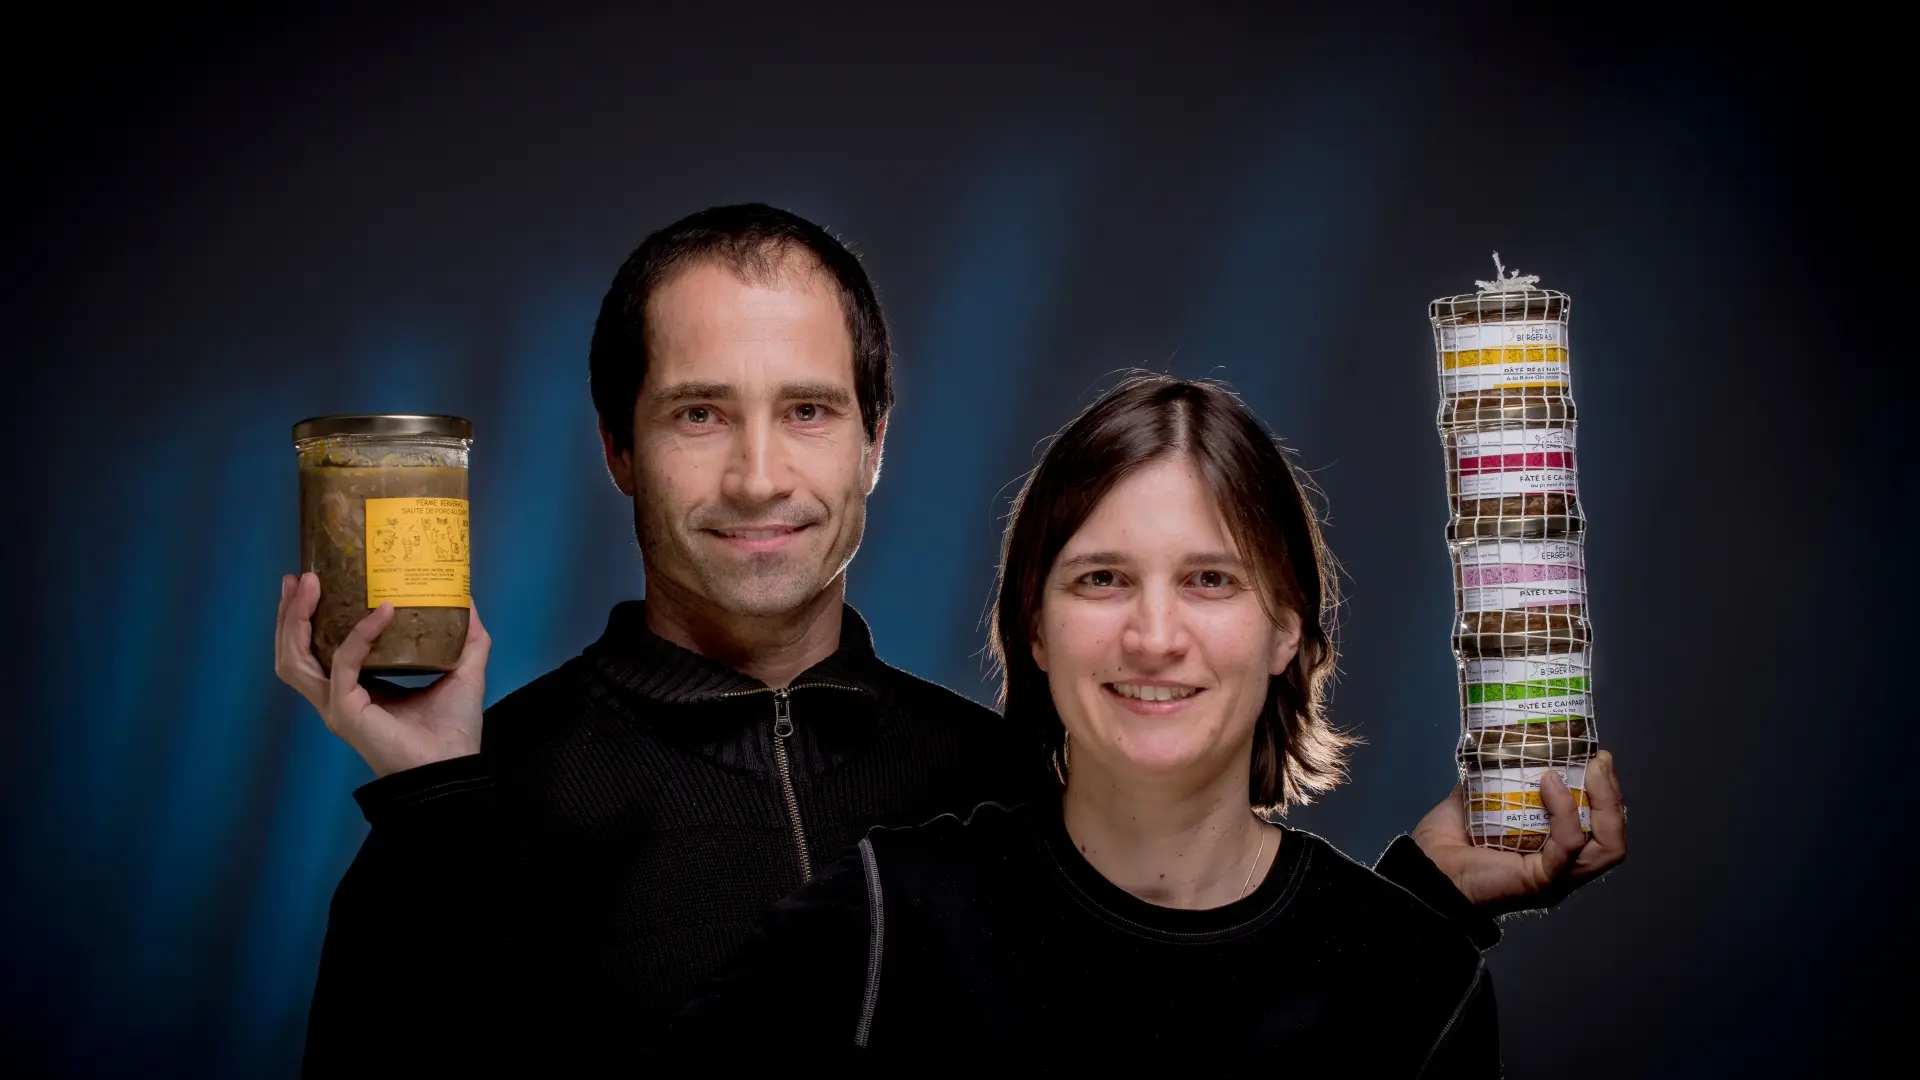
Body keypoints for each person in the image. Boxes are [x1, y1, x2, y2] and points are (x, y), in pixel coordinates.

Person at [273, 205, 1627, 1073]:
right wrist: (439, 816)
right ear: (619, 450)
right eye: (699, 414)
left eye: (807, 410)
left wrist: (1416, 914)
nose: (757, 476)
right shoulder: (467, 810)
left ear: (875, 440)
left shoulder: (1014, 790)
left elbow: (1212, 1016)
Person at [669, 375, 1623, 1070]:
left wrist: (1412, 917)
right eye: (1102, 580)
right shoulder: (884, 922)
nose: (1154, 636)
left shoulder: (1419, 983)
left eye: (1210, 580)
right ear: (1034, 628)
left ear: (1286, 625)